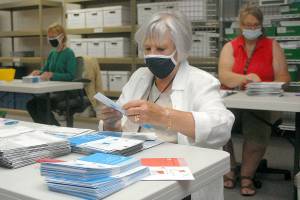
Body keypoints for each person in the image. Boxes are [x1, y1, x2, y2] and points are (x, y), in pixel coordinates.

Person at [99, 11, 234, 200]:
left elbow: (222, 128)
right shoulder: (140, 77)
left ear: (180, 49)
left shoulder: (201, 81)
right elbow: (119, 131)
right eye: (147, 48)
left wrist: (163, 116)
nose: (152, 55)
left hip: (179, 177)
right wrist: (112, 124)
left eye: (161, 49)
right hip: (135, 168)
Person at [218, 4, 290, 196]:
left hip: (261, 102)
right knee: (217, 123)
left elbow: (284, 78)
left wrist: (268, 86)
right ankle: (228, 170)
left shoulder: (272, 46)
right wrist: (247, 78)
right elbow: (224, 76)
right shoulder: (230, 47)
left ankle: (247, 176)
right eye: (247, 25)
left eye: (255, 25)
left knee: (257, 124)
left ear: (261, 25)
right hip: (231, 102)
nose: (251, 29)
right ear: (240, 25)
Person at [26, 23, 77, 125]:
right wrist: (38, 72)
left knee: (42, 102)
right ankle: (44, 128)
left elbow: (71, 76)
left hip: (65, 91)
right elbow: (45, 70)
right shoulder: (52, 53)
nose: (51, 39)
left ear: (62, 37)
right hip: (52, 89)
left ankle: (55, 129)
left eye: (53, 37)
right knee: (30, 104)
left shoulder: (69, 53)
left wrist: (53, 75)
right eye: (49, 37)